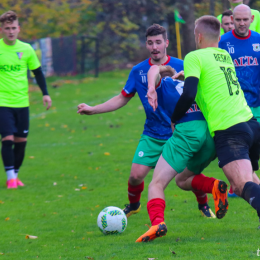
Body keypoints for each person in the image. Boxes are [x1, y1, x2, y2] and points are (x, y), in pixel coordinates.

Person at [78, 24, 216, 219]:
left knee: (186, 174)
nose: (154, 47)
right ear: (146, 45)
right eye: (150, 43)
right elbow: (122, 97)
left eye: (158, 42)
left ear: (166, 43)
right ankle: (134, 205)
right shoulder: (138, 71)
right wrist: (94, 109)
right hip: (153, 133)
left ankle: (203, 205)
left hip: (180, 132)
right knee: (135, 177)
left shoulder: (183, 65)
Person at [170, 15, 260, 226]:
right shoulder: (224, 55)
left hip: (229, 129)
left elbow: (189, 93)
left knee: (239, 186)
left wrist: (174, 118)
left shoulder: (194, 56)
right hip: (251, 124)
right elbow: (212, 80)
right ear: (218, 37)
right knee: (252, 181)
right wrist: (191, 76)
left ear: (198, 36)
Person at [135, 65, 228, 242]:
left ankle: (157, 223)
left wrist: (151, 88)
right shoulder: (190, 84)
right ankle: (214, 186)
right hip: (210, 134)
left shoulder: (164, 85)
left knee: (156, 183)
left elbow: (153, 69)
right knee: (182, 180)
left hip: (187, 131)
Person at [0, 11, 52, 188]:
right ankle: (10, 179)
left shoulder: (26, 49)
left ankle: (15, 174)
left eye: (13, 28)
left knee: (21, 143)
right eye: (7, 28)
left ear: (19, 29)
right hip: (2, 103)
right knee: (7, 139)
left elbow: (37, 72)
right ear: (1, 30)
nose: (11, 32)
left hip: (22, 103)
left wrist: (45, 93)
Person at [219, 4, 260, 197]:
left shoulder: (258, 40)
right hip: (235, 108)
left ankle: (245, 186)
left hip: (257, 106)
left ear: (252, 19)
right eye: (238, 20)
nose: (241, 23)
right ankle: (243, 185)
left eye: (245, 19)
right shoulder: (223, 42)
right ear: (232, 19)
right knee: (242, 151)